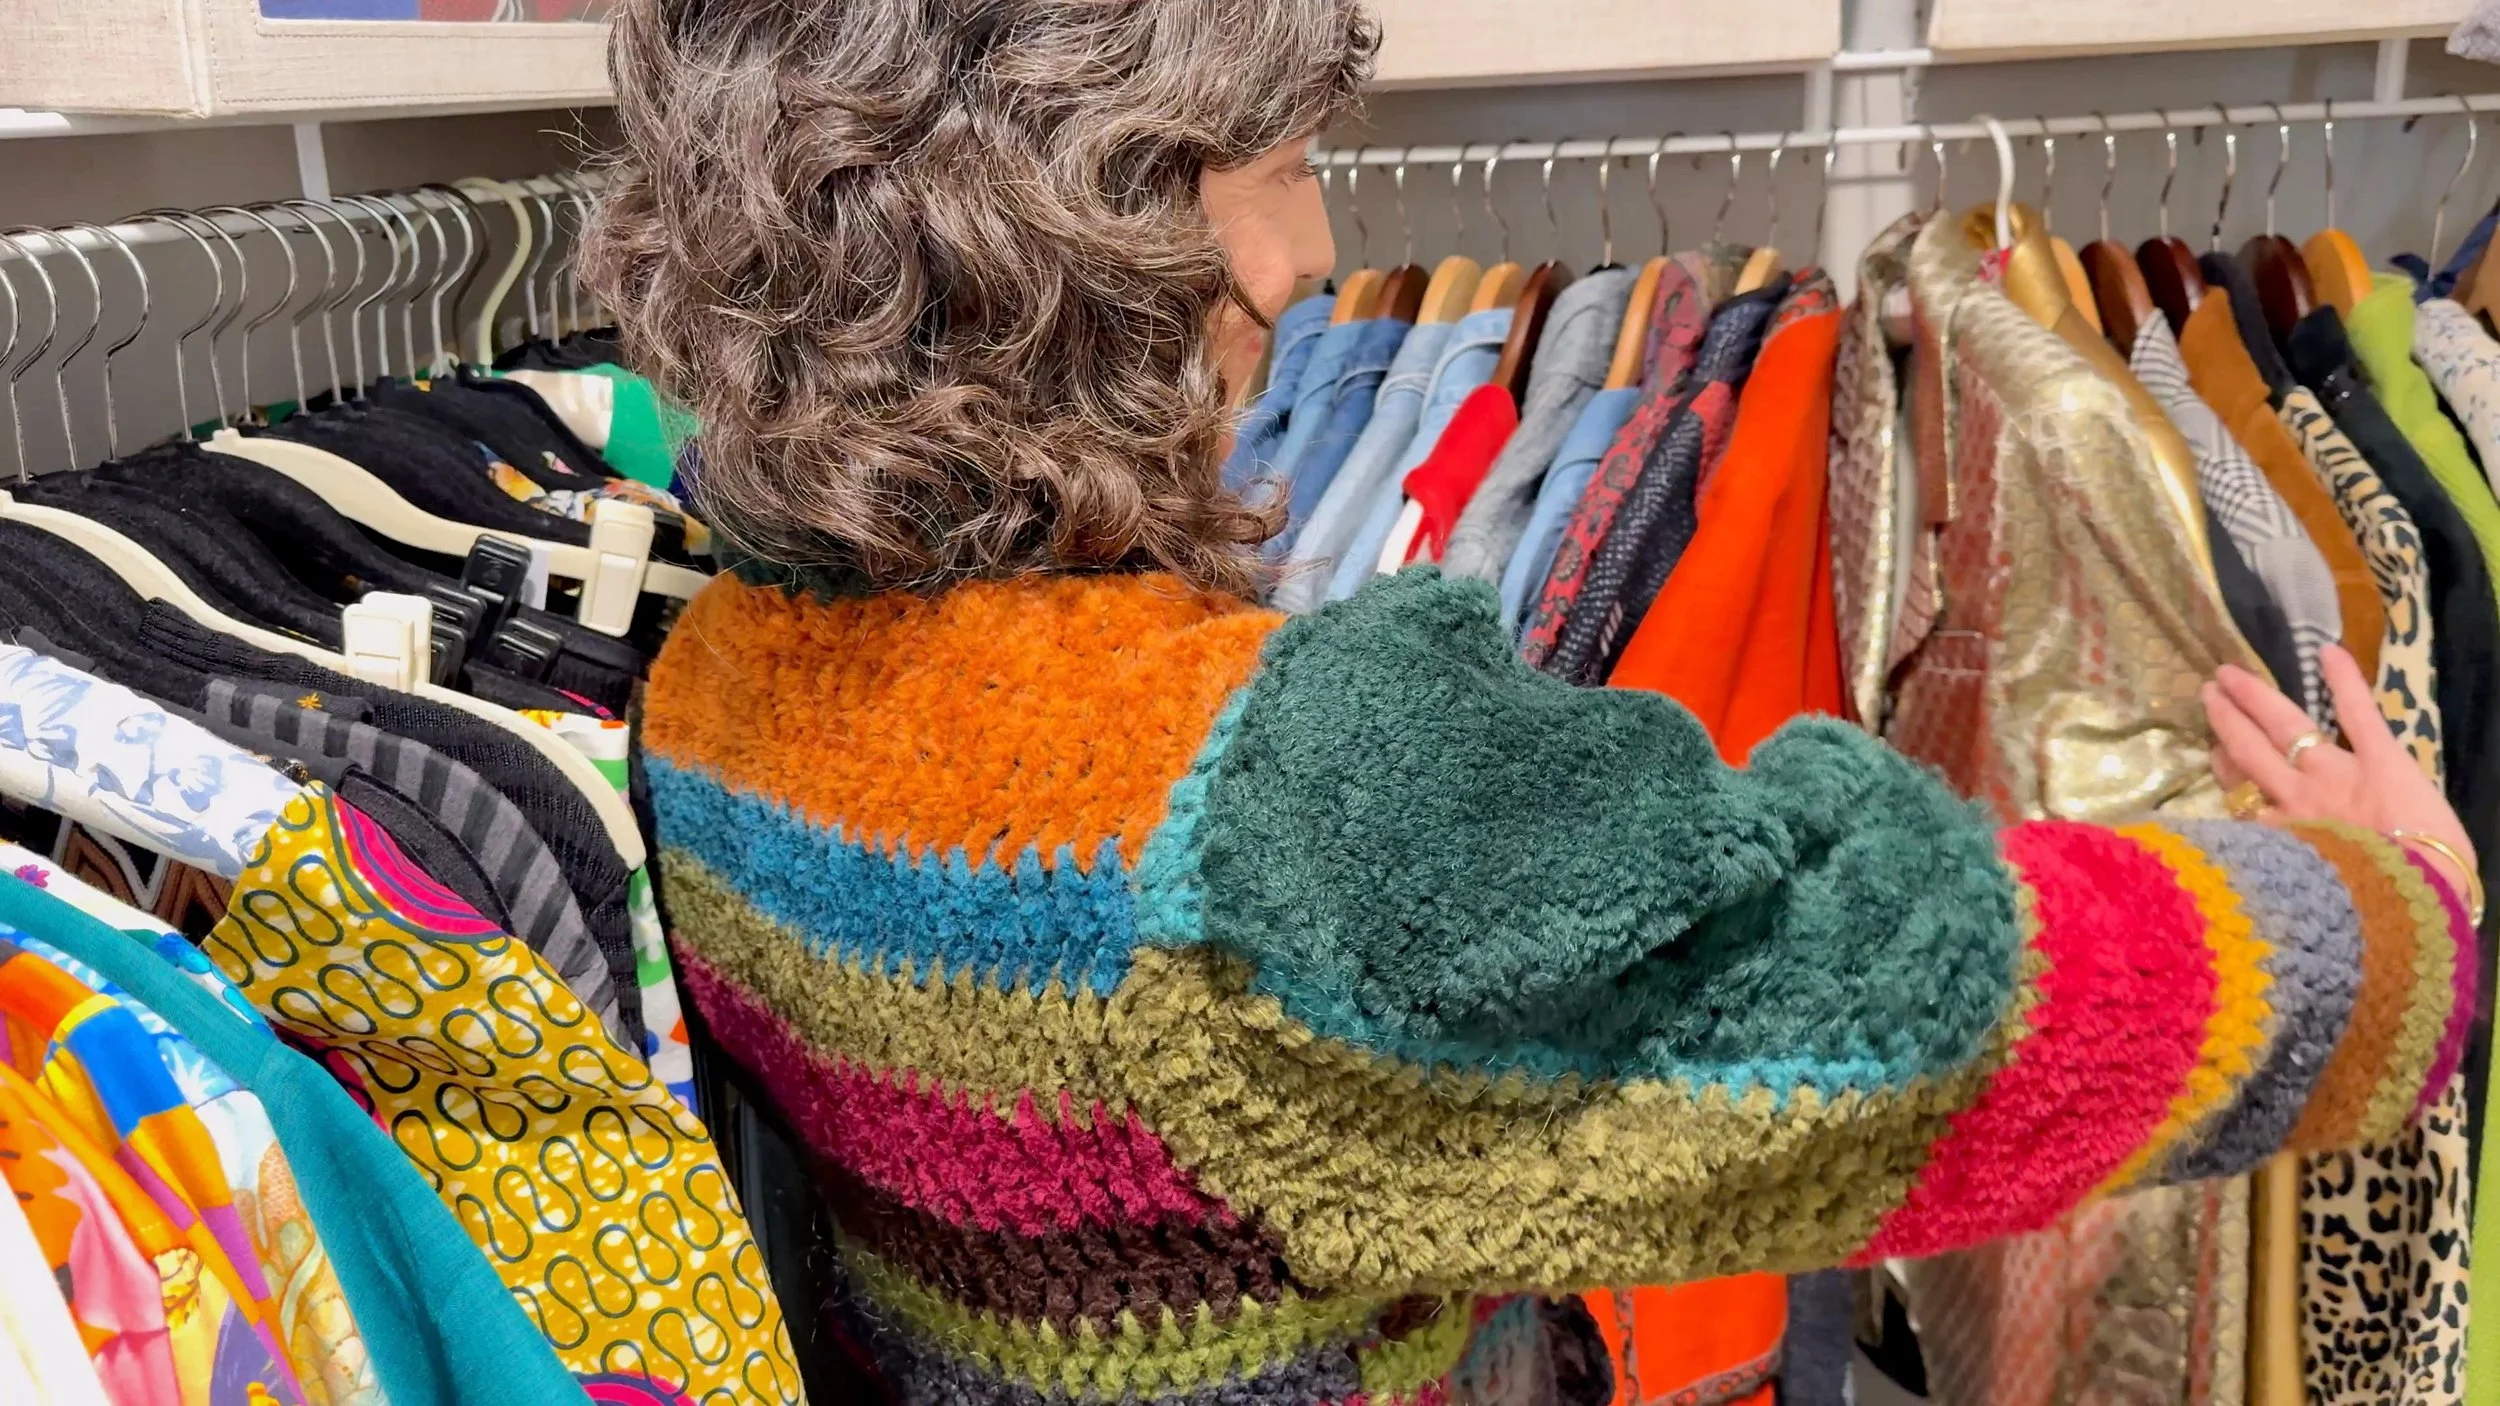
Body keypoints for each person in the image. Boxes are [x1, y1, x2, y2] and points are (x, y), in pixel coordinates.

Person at [584, 2, 2482, 1401]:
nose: (1319, 257)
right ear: (1106, 222)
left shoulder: (720, 675)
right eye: (1288, 175)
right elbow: (1919, 1023)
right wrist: (2395, 924)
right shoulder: (1273, 815)